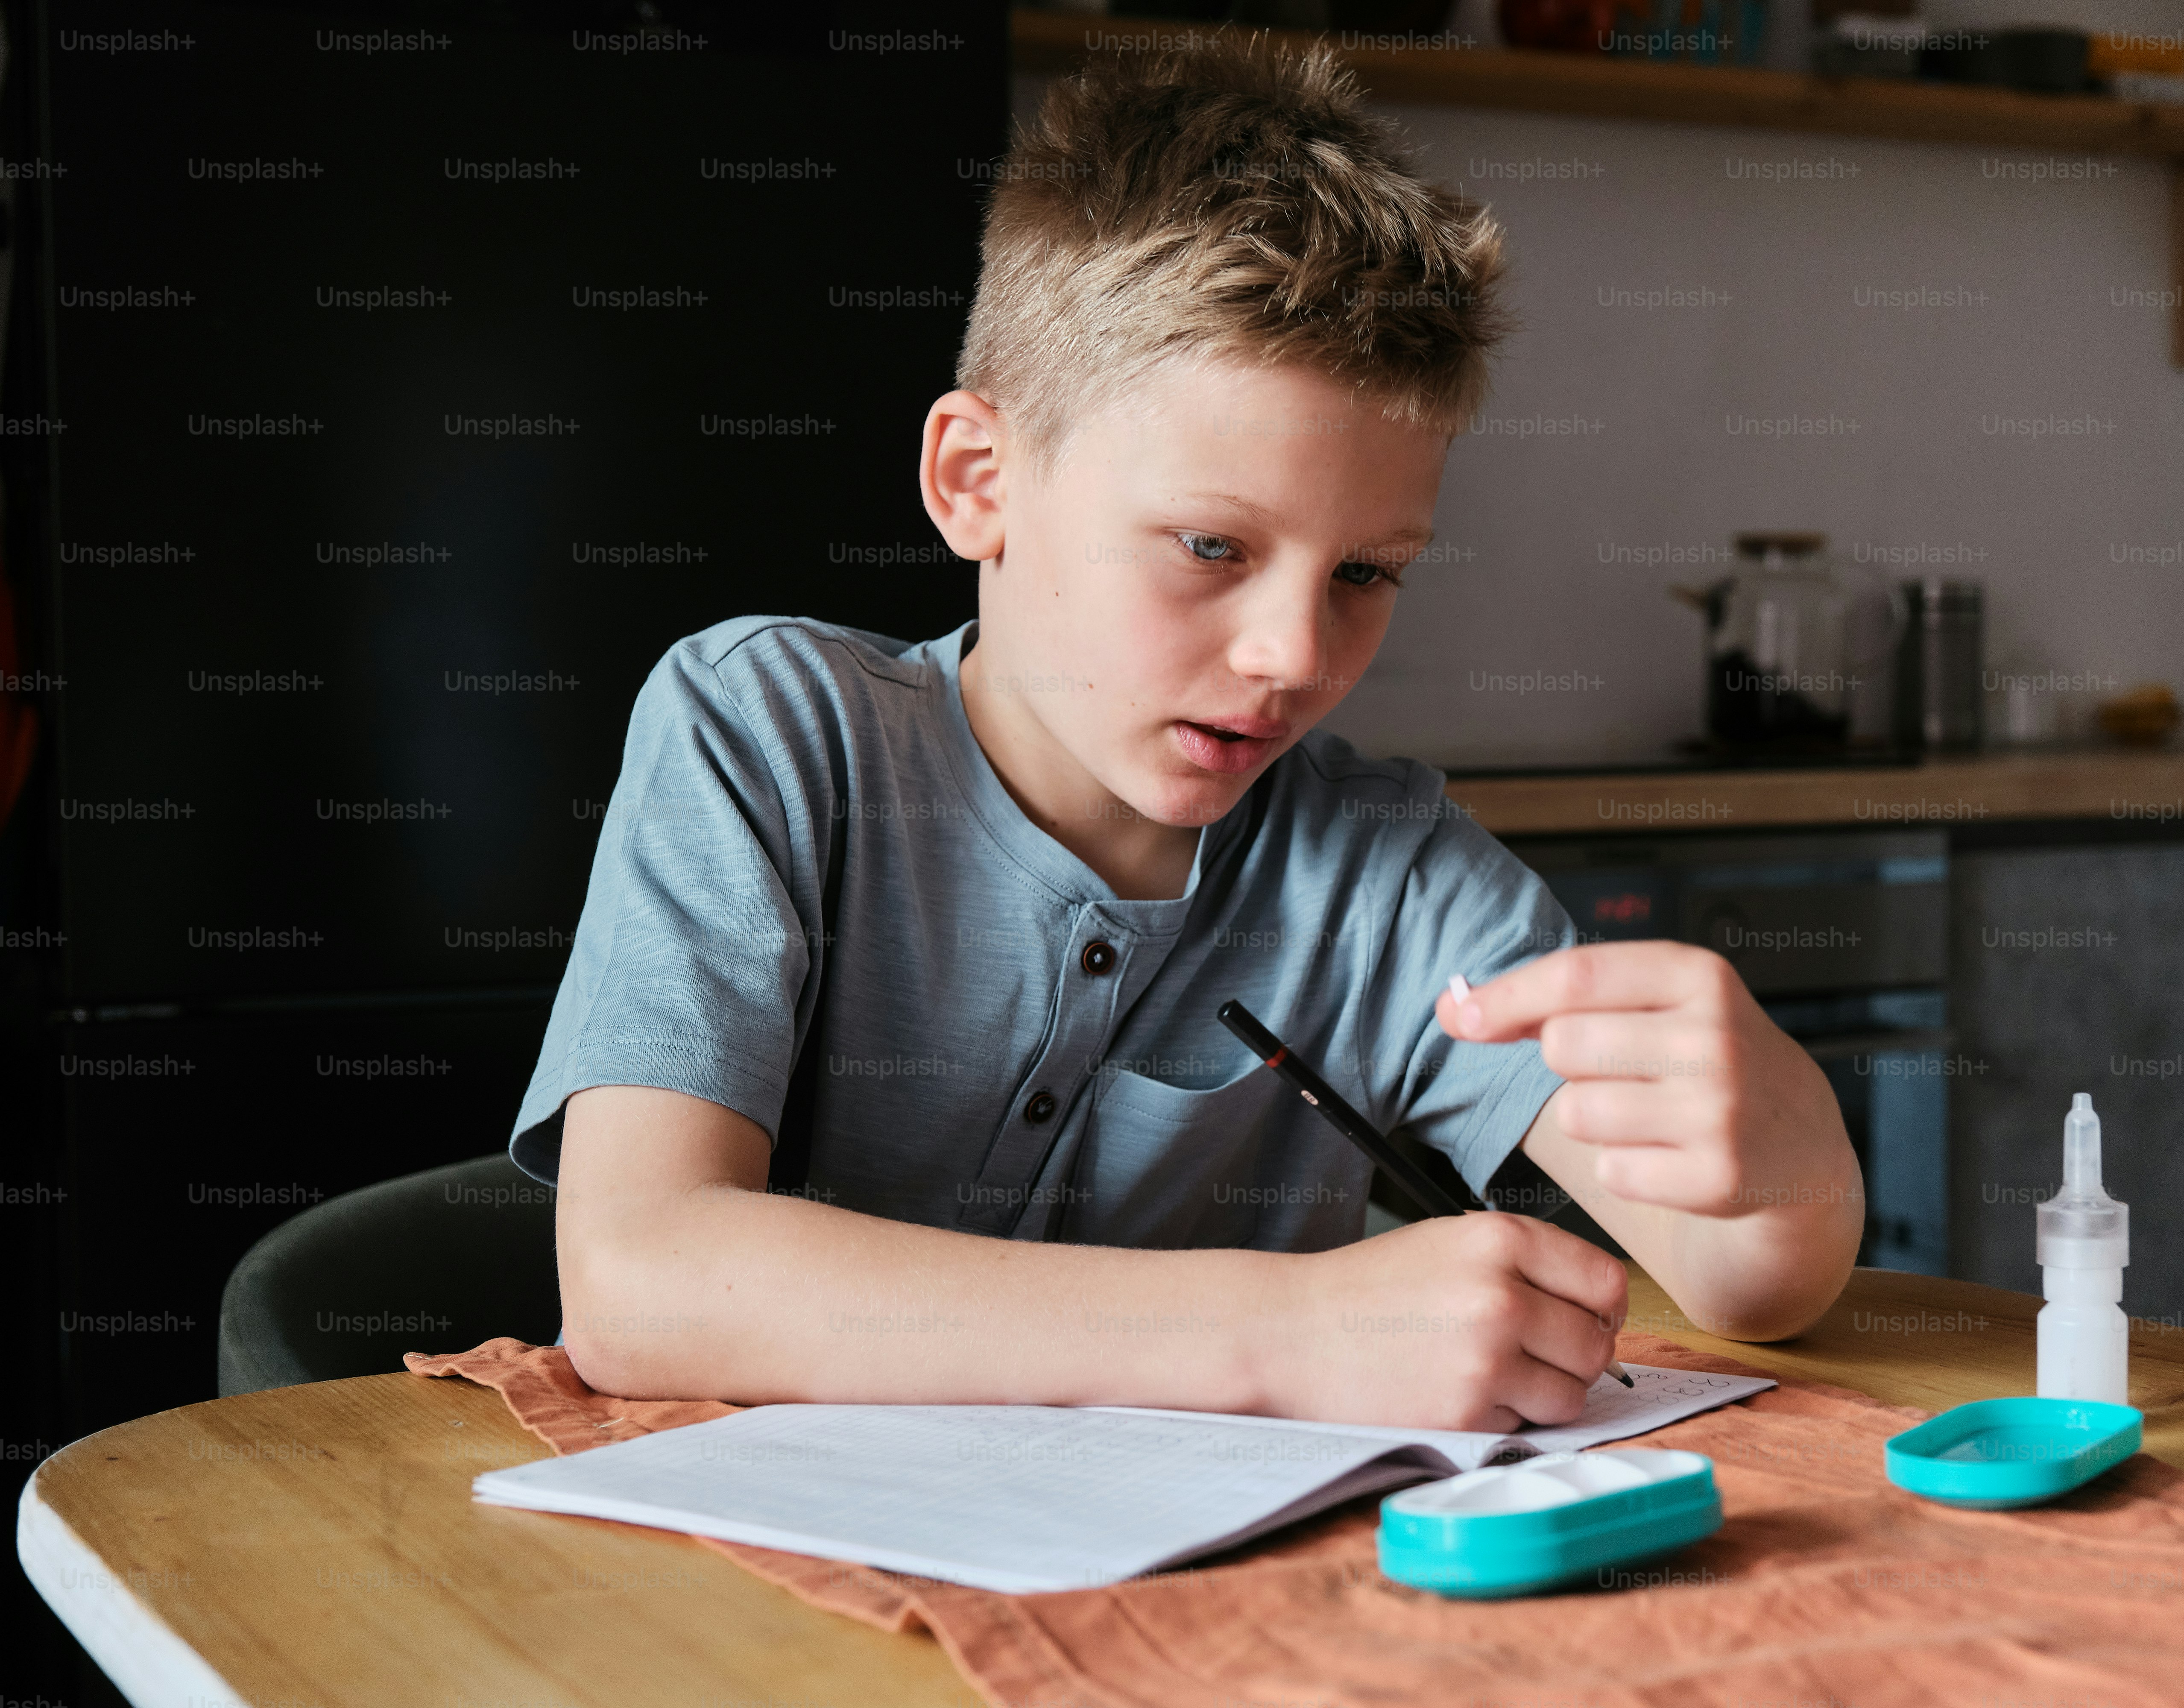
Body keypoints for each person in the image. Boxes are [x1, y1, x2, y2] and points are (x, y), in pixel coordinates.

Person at [525, 37, 1860, 1431]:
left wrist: (1789, 1156)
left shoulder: (1384, 875)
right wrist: (1282, 1332)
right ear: (978, 481)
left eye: (1367, 573)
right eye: (1212, 546)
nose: (1296, 658)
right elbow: (642, 1278)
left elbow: (1743, 1273)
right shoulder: (771, 733)